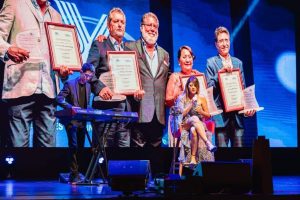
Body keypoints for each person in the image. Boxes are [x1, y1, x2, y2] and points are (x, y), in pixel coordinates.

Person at [0, 0, 72, 147]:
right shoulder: (14, 3)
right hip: (20, 85)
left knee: (47, 152)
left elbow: (60, 54)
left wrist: (64, 71)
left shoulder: (56, 15)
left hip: (48, 89)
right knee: (19, 150)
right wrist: (8, 49)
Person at [87, 7, 143, 147]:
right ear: (108, 25)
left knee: (122, 158)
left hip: (125, 112)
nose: (119, 25)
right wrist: (100, 88)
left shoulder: (129, 51)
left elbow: (133, 81)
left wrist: (136, 92)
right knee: (103, 156)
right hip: (105, 111)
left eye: (122, 22)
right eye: (116, 21)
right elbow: (88, 72)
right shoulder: (99, 44)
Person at [56, 63, 107, 183]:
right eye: (86, 75)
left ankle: (78, 172)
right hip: (71, 120)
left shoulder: (89, 86)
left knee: (80, 147)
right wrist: (70, 107)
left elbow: (86, 104)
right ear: (81, 72)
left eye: (90, 76)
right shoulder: (70, 83)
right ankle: (73, 173)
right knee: (73, 146)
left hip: (82, 121)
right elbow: (59, 99)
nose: (87, 78)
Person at [205, 26, 255, 147]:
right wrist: (220, 74)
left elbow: (242, 89)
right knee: (222, 157)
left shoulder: (238, 63)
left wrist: (248, 107)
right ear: (216, 44)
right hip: (220, 118)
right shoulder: (211, 63)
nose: (224, 44)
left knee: (239, 157)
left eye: (226, 40)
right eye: (221, 41)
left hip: (237, 117)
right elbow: (209, 88)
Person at [126, 12, 170, 147]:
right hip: (139, 112)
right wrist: (103, 39)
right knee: (138, 160)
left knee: (156, 160)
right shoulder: (129, 47)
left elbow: (168, 78)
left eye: (155, 26)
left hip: (158, 115)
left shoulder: (165, 54)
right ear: (141, 27)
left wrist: (188, 74)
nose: (152, 28)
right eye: (149, 25)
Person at [176, 76, 216, 165]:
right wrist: (190, 104)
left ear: (198, 87)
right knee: (194, 118)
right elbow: (180, 115)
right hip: (185, 124)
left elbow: (208, 115)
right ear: (187, 87)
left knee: (194, 129)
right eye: (191, 85)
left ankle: (193, 158)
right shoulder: (182, 98)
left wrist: (201, 111)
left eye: (195, 85)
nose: (193, 87)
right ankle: (207, 142)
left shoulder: (201, 98)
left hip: (199, 125)